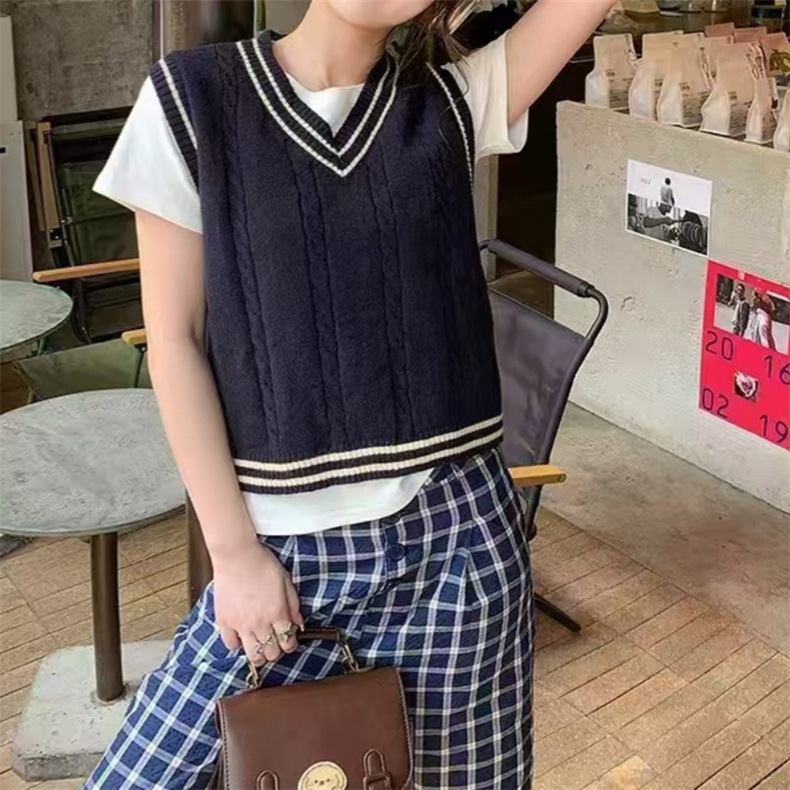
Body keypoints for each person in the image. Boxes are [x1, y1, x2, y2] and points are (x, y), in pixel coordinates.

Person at [83, 0, 616, 787]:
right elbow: (174, 344)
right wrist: (234, 554)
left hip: (459, 547)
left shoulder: (454, 102)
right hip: (283, 559)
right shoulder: (193, 99)